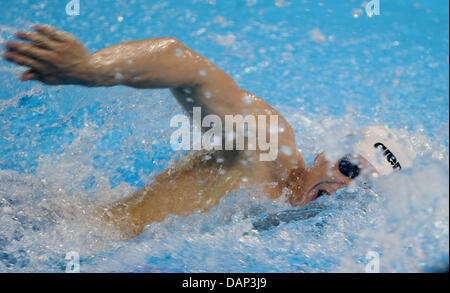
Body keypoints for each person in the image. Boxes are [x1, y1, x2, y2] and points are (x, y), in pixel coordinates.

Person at [2, 25, 414, 239]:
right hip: (42, 232)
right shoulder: (266, 150)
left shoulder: (304, 230)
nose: (342, 187)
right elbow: (182, 62)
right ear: (328, 151)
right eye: (348, 166)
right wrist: (88, 70)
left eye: (363, 189)